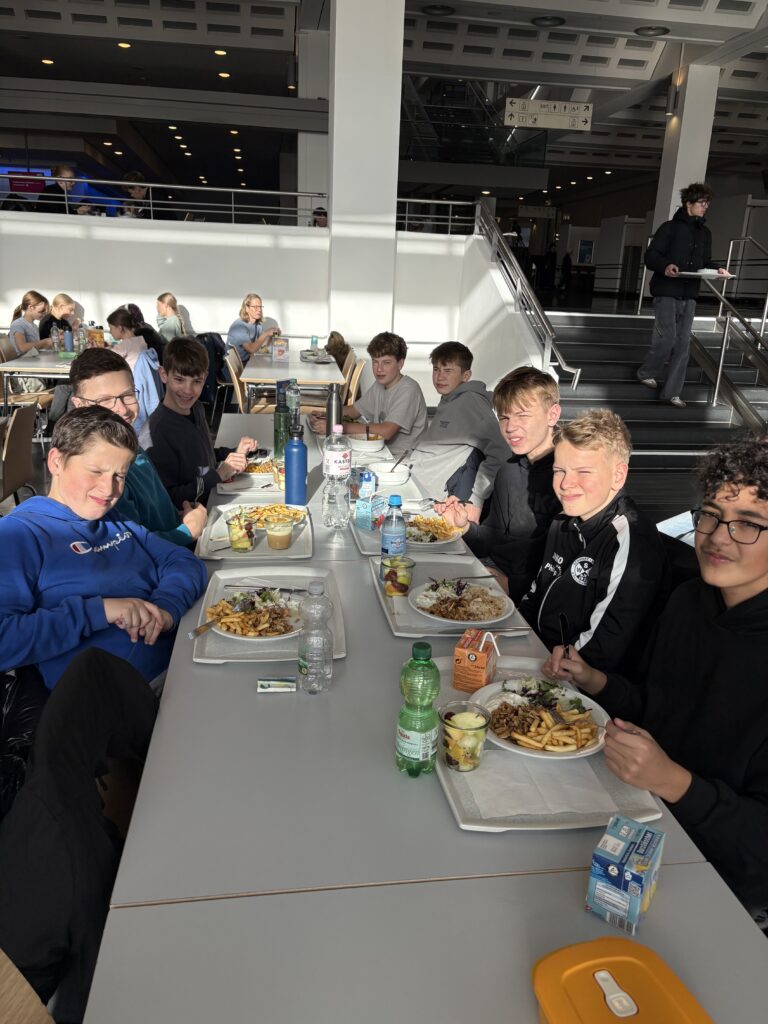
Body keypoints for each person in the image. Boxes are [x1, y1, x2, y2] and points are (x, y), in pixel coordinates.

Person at [543, 437, 768, 929]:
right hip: (633, 816)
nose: (717, 537)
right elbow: (657, 706)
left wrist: (673, 782)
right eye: (711, 516)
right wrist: (597, 681)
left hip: (720, 886)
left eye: (748, 524)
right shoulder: (689, 602)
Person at [0, 405, 207, 691]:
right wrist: (100, 611)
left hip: (182, 660)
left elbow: (183, 561)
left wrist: (166, 609)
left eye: (119, 476)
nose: (109, 489)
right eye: (96, 471)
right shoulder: (18, 536)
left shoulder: (111, 519)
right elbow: (5, 640)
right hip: (119, 695)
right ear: (56, 461)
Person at [519, 409, 667, 673]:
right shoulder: (563, 521)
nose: (566, 484)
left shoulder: (630, 539)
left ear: (618, 476)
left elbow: (600, 652)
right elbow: (534, 594)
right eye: (559, 471)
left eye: (583, 472)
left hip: (576, 677)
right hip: (535, 651)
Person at [436, 367, 563, 602]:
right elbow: (492, 539)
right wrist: (464, 527)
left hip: (534, 596)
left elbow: (567, 564)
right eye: (504, 417)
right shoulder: (509, 471)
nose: (510, 427)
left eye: (522, 415)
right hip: (492, 574)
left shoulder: (569, 479)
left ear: (552, 415)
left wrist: (512, 585)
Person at [69, 348, 204, 548]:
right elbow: (128, 545)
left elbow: (152, 513)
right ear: (79, 404)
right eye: (104, 400)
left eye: (128, 395)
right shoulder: (99, 475)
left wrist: (180, 517)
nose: (122, 409)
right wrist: (186, 532)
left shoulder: (130, 443)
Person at [638, 182, 731, 409]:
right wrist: (666, 266)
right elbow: (651, 256)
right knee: (668, 338)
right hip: (667, 291)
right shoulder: (669, 228)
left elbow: (704, 262)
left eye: (707, 203)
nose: (705, 207)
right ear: (688, 203)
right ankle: (647, 372)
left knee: (683, 345)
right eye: (702, 203)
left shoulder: (705, 233)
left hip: (689, 294)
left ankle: (672, 393)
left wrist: (717, 270)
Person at [142, 336, 257, 506]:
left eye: (197, 381)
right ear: (164, 375)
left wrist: (234, 453)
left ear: (205, 378)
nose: (188, 390)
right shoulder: (156, 435)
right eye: (179, 379)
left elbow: (202, 455)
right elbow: (168, 500)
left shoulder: (196, 408)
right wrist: (218, 475)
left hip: (215, 498)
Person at [408, 342, 509, 506]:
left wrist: (476, 499)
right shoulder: (450, 398)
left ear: (465, 376)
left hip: (437, 497)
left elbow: (502, 451)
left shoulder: (471, 402)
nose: (440, 377)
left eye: (448, 371)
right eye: (436, 369)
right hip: (419, 481)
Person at [309, 332, 427, 459]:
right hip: (379, 450)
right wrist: (327, 414)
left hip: (400, 459)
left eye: (386, 362)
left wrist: (336, 427)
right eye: (375, 362)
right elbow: (355, 410)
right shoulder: (380, 384)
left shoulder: (408, 390)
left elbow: (386, 431)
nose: (379, 369)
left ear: (400, 364)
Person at [8, 290, 51, 394]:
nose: (44, 313)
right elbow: (22, 347)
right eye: (42, 311)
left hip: (32, 366)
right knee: (63, 384)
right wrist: (44, 342)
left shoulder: (34, 326)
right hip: (24, 372)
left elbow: (35, 347)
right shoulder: (18, 324)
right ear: (31, 307)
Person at [225, 293, 281, 365]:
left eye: (260, 306)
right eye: (255, 307)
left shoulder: (258, 326)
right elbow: (251, 349)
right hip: (237, 368)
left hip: (247, 363)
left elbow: (262, 348)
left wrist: (273, 335)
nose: (259, 310)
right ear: (247, 308)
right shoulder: (239, 327)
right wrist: (265, 333)